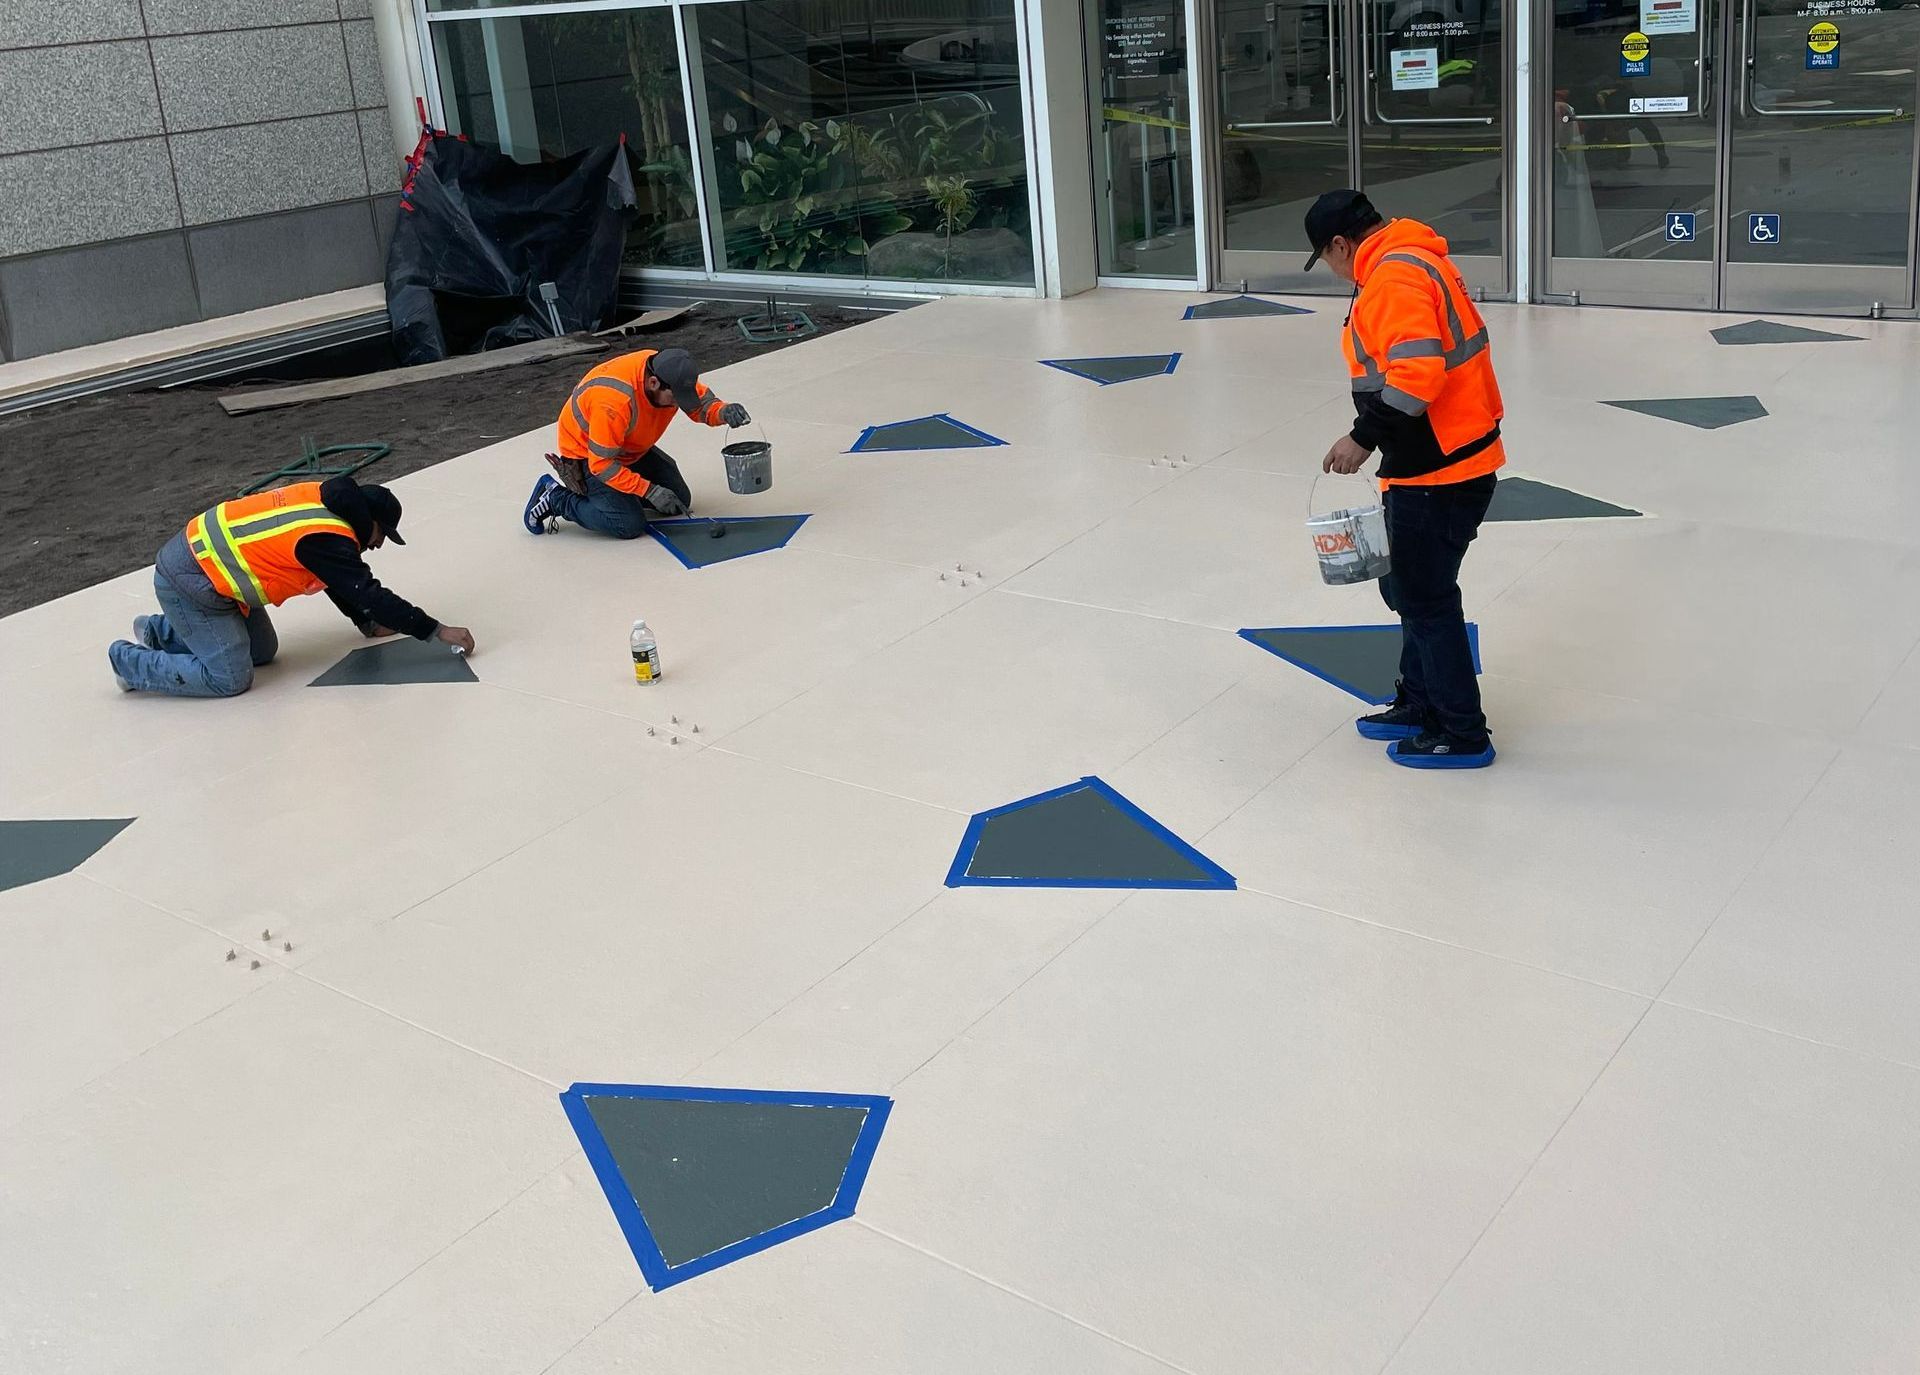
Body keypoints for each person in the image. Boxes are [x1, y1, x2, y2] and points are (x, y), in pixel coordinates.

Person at [1306, 189, 1504, 769]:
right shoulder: (1413, 257)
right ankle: (1419, 702)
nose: (1336, 272)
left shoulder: (1392, 277)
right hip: (1443, 456)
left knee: (1426, 598)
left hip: (1439, 466)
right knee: (1411, 590)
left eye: (1328, 258)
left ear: (1341, 244)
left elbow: (1419, 373)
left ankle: (1462, 733)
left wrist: (1361, 437)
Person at [109, 477, 474, 698]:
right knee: (230, 678)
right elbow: (366, 591)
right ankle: (129, 663)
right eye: (382, 535)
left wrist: (366, 624)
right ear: (370, 520)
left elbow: (336, 578)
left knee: (263, 651)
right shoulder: (326, 537)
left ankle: (161, 631)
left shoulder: (325, 503)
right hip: (190, 581)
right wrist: (435, 630)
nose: (378, 544)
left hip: (215, 580)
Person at [523, 346, 751, 539]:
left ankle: (618, 494)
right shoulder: (614, 402)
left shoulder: (668, 370)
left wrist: (723, 412)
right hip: (588, 454)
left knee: (678, 500)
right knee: (627, 523)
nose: (679, 404)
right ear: (653, 383)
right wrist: (649, 491)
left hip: (628, 447)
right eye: (675, 399)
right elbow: (601, 464)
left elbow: (700, 406)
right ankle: (556, 498)